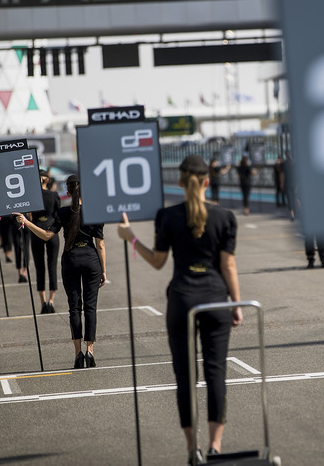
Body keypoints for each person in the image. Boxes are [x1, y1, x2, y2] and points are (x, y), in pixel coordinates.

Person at [117, 155, 242, 461]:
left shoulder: (168, 216)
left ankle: (192, 449)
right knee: (216, 374)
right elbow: (228, 265)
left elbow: (158, 262)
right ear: (207, 181)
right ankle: (215, 447)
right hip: (215, 299)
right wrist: (236, 304)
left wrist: (131, 238)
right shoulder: (225, 217)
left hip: (182, 300)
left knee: (185, 378)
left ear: (181, 183)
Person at [13, 175, 107, 369]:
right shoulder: (94, 211)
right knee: (90, 308)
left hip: (71, 260)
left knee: (74, 308)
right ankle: (90, 352)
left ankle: (77, 354)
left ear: (68, 193)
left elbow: (47, 235)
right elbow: (101, 245)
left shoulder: (64, 213)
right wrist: (104, 270)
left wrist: (27, 222)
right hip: (91, 261)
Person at [29, 170, 61, 314]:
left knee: (39, 267)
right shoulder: (54, 195)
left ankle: (43, 302)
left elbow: (29, 215)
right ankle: (51, 301)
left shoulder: (32, 197)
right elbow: (58, 215)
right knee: (52, 266)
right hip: (51, 230)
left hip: (36, 230)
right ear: (47, 180)